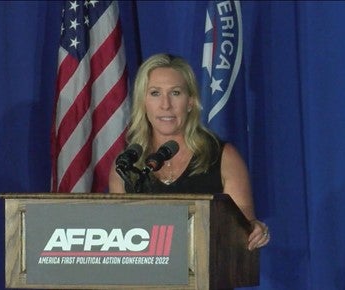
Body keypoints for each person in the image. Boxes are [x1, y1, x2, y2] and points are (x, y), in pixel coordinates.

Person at [109, 53, 270, 251]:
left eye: (175, 93)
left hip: (206, 276)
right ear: (143, 102)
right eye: (155, 93)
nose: (166, 105)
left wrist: (254, 230)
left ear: (191, 101)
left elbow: (243, 229)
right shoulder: (127, 165)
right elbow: (117, 239)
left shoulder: (223, 157)